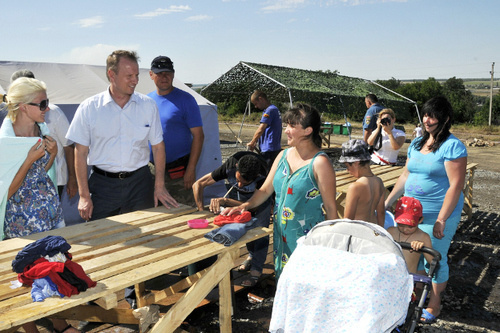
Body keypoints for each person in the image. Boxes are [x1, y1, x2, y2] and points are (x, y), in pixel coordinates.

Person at [223, 103, 338, 281]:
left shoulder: (319, 163)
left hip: (308, 240)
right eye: (286, 125)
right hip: (281, 237)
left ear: (308, 131)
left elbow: (331, 209)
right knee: (283, 282)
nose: (286, 130)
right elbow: (265, 190)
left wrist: (330, 246)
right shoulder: (283, 155)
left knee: (305, 285)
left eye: (292, 126)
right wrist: (244, 206)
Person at [0, 78, 79, 333]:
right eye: (42, 103)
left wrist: (52, 156)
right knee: (27, 275)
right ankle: (32, 329)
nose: (47, 108)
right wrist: (28, 159)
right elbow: (8, 191)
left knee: (52, 268)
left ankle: (60, 324)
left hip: (46, 218)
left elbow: (38, 176)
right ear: (23, 107)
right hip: (21, 223)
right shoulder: (5, 141)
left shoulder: (40, 132)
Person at [66, 50, 178, 222]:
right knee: (102, 237)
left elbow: (158, 146)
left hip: (140, 184)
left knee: (145, 235)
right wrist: (83, 195)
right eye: (129, 76)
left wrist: (159, 186)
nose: (135, 81)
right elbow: (80, 153)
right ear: (112, 75)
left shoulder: (148, 106)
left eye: (136, 75)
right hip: (103, 186)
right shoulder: (89, 108)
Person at [385, 96, 467, 324]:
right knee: (409, 255)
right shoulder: (416, 143)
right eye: (426, 115)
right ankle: (412, 296)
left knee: (432, 258)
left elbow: (456, 185)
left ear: (445, 119)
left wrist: (441, 219)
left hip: (437, 214)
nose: (427, 119)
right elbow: (405, 174)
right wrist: (388, 201)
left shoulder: (452, 146)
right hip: (409, 214)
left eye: (433, 116)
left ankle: (435, 303)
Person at [193, 151, 271, 286]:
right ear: (236, 167)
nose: (239, 185)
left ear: (256, 177)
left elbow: (253, 208)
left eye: (244, 183)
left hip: (259, 201)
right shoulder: (229, 166)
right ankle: (251, 256)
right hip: (237, 199)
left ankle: (256, 270)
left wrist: (226, 201)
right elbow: (197, 185)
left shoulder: (263, 176)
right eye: (238, 179)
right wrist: (201, 212)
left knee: (260, 233)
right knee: (243, 226)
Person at [10, 69, 78, 199]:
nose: (46, 108)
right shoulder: (7, 129)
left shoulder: (53, 113)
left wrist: (72, 178)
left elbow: (68, 146)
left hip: (53, 183)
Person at [148, 55, 204, 207]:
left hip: (179, 171)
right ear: (151, 75)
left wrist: (191, 169)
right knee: (154, 215)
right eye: (159, 73)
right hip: (152, 171)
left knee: (183, 213)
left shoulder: (186, 100)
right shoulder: (146, 102)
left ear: (173, 74)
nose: (164, 77)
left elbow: (198, 136)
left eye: (167, 73)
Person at [339, 139, 385, 227]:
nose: (347, 170)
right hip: (372, 230)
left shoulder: (355, 187)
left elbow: (348, 219)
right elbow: (381, 213)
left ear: (356, 162)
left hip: (358, 232)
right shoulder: (379, 182)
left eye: (347, 166)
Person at [387, 196, 433, 274]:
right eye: (401, 225)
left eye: (410, 226)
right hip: (387, 276)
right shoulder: (390, 231)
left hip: (408, 279)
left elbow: (432, 262)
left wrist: (423, 247)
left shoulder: (423, 237)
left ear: (420, 220)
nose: (405, 229)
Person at [247, 90, 282, 167]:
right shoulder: (272, 109)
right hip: (271, 147)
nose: (256, 106)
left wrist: (253, 142)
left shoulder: (270, 110)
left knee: (267, 172)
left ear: (261, 99)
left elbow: (261, 129)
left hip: (269, 149)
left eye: (256, 103)